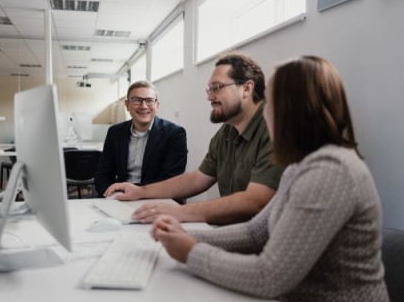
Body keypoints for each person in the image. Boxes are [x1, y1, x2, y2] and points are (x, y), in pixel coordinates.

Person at [150, 56, 392, 302]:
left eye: (271, 102)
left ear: (293, 109)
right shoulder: (301, 166)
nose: (264, 110)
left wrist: (190, 252)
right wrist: (185, 235)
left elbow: (270, 276)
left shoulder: (331, 171)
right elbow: (257, 232)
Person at [106, 51, 285, 225]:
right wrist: (141, 191)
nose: (209, 97)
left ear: (247, 88)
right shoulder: (227, 131)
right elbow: (198, 179)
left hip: (266, 239)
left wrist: (180, 212)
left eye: (217, 88)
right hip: (235, 229)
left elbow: (256, 202)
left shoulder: (275, 126)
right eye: (209, 89)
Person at [94, 80, 188, 197]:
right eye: (137, 100)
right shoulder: (115, 132)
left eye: (149, 101)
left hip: (156, 198)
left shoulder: (174, 134)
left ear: (157, 105)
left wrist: (133, 192)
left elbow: (170, 179)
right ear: (127, 105)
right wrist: (112, 195)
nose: (143, 106)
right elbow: (102, 175)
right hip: (120, 197)